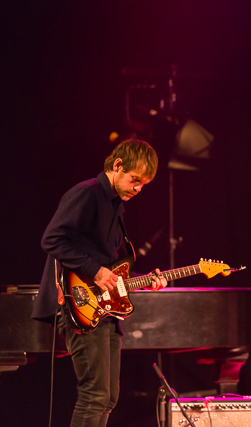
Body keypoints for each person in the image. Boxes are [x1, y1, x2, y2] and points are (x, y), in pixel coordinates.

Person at [32, 139, 168, 427]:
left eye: (143, 184)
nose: (138, 189)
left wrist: (145, 281)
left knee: (108, 398)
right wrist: (95, 271)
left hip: (105, 309)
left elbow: (112, 267)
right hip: (78, 303)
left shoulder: (116, 206)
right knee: (94, 395)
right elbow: (51, 239)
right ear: (117, 166)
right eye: (135, 180)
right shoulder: (87, 193)